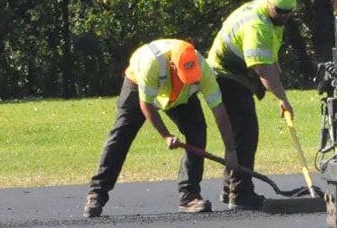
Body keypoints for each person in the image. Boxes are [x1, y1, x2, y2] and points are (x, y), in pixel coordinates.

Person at [84, 39, 238, 218]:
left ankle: (189, 196)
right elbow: (146, 106)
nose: (189, 81)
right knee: (121, 134)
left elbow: (219, 110)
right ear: (173, 66)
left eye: (191, 78)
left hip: (179, 97)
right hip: (138, 85)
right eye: (184, 76)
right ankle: (96, 194)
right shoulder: (152, 63)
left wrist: (230, 149)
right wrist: (165, 135)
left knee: (197, 131)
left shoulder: (203, 69)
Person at [207, 0, 297, 211]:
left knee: (243, 130)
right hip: (224, 72)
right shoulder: (256, 25)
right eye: (279, 11)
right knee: (246, 130)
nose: (284, 16)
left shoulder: (273, 19)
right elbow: (263, 69)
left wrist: (280, 88)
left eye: (288, 12)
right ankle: (240, 192)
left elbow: (271, 56)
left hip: (238, 73)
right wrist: (283, 99)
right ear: (270, 4)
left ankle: (230, 189)